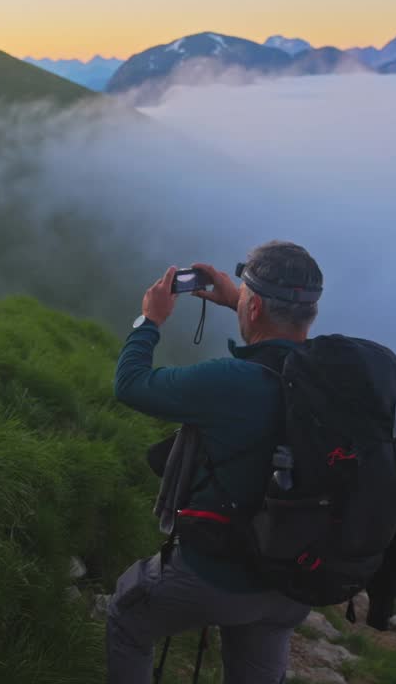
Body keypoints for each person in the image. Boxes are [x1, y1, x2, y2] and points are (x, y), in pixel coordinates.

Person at [106, 241, 325, 684]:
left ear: (256, 305)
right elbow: (281, 346)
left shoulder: (230, 381)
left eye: (247, 296)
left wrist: (150, 319)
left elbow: (130, 384)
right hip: (294, 582)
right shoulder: (326, 379)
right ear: (311, 313)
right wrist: (238, 303)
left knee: (127, 620)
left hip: (216, 576)